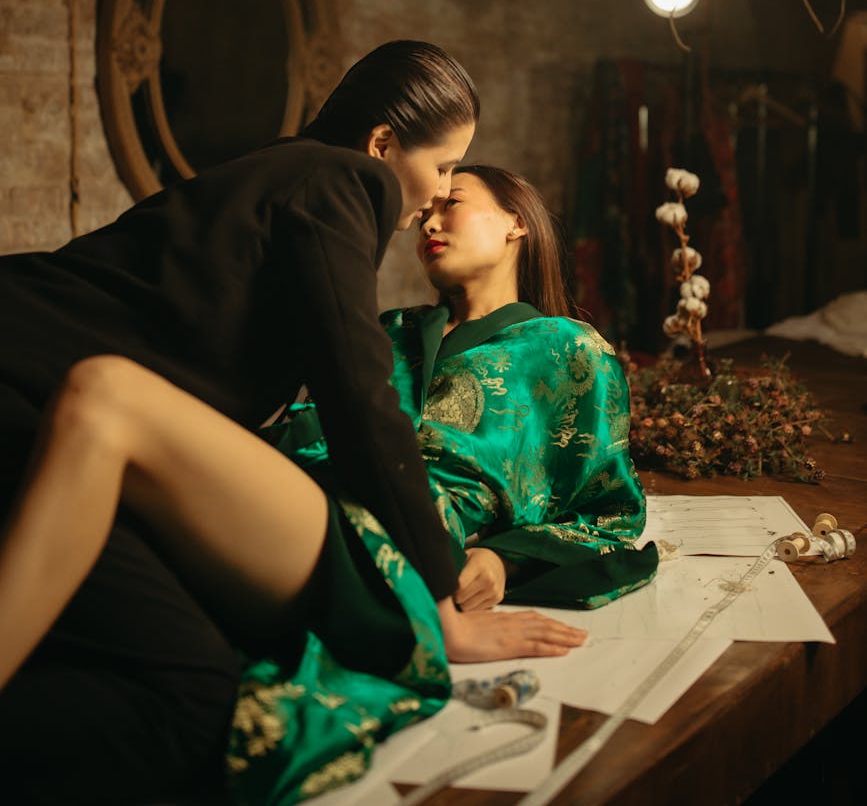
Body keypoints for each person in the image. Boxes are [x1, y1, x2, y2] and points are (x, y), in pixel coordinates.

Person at [0, 42, 584, 806]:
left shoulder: (277, 173)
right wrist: (436, 609)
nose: (439, 193)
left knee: (170, 673)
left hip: (47, 413)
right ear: (382, 145)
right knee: (191, 698)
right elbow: (358, 397)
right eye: (442, 166)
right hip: (30, 408)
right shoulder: (341, 179)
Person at [227, 164, 656, 803]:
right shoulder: (388, 330)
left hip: (391, 536)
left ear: (516, 223)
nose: (428, 222)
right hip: (282, 480)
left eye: (450, 204)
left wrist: (505, 559)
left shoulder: (569, 350)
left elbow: (609, 509)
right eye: (424, 213)